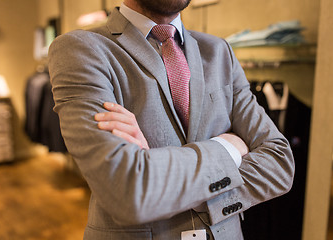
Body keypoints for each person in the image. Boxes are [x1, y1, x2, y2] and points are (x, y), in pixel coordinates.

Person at [48, 0, 295, 239]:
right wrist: (229, 148)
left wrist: (154, 171)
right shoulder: (80, 49)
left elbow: (279, 162)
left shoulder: (220, 51)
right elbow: (127, 191)